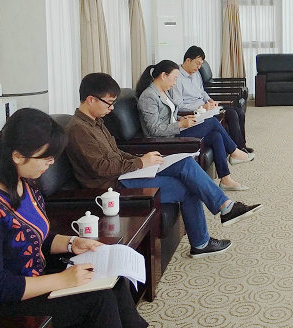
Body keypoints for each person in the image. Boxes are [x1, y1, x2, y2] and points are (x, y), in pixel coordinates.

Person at [0, 108, 147, 328]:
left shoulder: (26, 183)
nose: (51, 163)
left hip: (38, 277)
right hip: (6, 300)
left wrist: (72, 243)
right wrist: (63, 280)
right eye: (46, 157)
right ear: (17, 156)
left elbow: (34, 237)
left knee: (113, 281)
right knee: (99, 300)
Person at [65, 73, 263, 258]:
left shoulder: (95, 121)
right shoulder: (78, 130)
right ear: (91, 99)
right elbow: (100, 168)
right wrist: (139, 163)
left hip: (124, 174)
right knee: (188, 185)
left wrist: (142, 158)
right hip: (112, 187)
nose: (112, 108)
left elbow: (115, 152)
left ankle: (220, 215)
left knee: (185, 163)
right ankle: (205, 237)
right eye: (109, 103)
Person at [136, 60, 254, 191]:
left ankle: (226, 179)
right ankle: (234, 151)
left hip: (175, 130)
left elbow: (169, 116)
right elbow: (154, 129)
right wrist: (180, 124)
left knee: (216, 136)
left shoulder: (164, 91)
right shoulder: (149, 97)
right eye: (174, 78)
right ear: (164, 75)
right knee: (212, 122)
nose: (175, 83)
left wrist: (182, 118)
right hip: (166, 139)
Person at [171, 45, 252, 153]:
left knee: (239, 112)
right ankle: (238, 149)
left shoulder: (196, 73)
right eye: (197, 63)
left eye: (201, 64)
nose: (199, 67)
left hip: (207, 107)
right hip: (196, 112)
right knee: (232, 114)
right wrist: (202, 106)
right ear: (188, 60)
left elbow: (202, 91)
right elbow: (179, 105)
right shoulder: (176, 77)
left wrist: (210, 100)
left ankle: (242, 145)